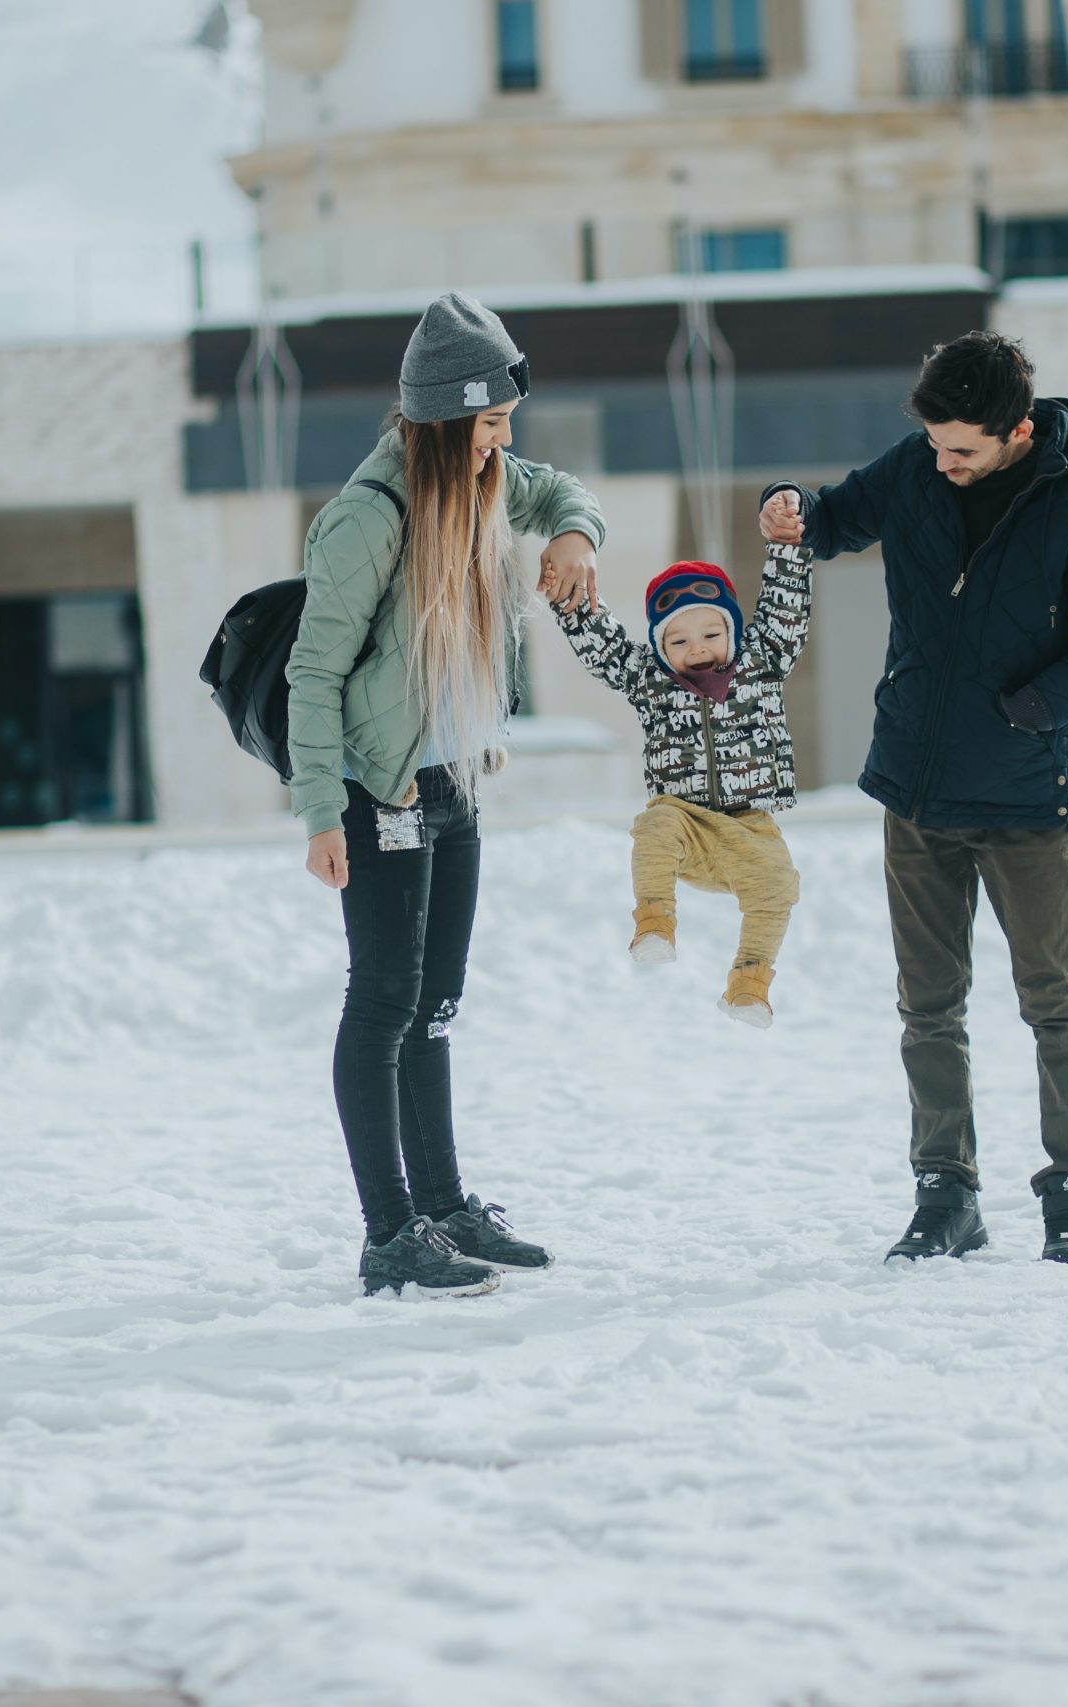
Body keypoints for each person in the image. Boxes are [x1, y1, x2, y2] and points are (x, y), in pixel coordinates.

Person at [760, 330, 1068, 1267]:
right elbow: (834, 519)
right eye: (935, 445)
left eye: (963, 452)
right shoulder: (918, 467)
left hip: (1025, 796)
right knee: (928, 1006)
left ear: (1018, 432)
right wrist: (792, 510)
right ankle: (946, 1193)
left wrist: (1035, 708)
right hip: (916, 787)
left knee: (1055, 1002)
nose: (943, 465)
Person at [287, 291, 605, 1299]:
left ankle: (445, 1205)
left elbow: (563, 495)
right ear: (440, 421)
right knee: (382, 1003)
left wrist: (574, 542)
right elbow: (313, 673)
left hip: (454, 778)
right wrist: (317, 812)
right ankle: (390, 1233)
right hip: (380, 787)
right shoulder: (368, 518)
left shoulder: (484, 480)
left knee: (434, 1006)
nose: (501, 444)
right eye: (489, 424)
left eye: (506, 427)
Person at [551, 522, 814, 1027]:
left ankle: (750, 984)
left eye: (711, 634)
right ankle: (654, 923)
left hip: (749, 826)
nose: (697, 649)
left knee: (778, 883)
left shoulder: (762, 663)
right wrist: (569, 594)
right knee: (655, 823)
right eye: (678, 640)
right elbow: (602, 646)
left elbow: (784, 610)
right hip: (687, 825)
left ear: (733, 632)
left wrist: (785, 541)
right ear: (659, 647)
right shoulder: (651, 682)